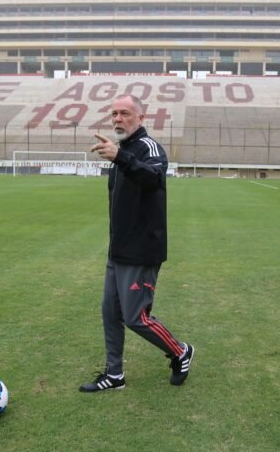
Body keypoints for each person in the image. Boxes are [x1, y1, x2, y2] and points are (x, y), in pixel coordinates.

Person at [80, 94, 194, 392]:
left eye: (125, 113)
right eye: (114, 113)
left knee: (135, 317)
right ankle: (114, 374)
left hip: (141, 250)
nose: (118, 119)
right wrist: (119, 155)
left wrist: (121, 157)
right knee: (110, 313)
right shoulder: (121, 150)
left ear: (141, 118)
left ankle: (181, 351)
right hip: (118, 250)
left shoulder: (146, 148)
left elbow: (153, 177)